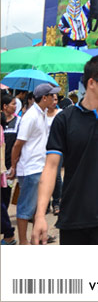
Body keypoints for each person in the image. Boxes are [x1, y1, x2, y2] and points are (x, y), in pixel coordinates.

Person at [31, 55, 98, 245]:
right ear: (91, 82)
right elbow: (50, 167)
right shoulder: (64, 120)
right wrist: (40, 214)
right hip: (73, 215)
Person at [8, 82, 60, 245]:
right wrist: (14, 166)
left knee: (38, 207)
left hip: (39, 166)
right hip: (30, 169)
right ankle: (24, 241)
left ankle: (38, 236)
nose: (54, 98)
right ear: (44, 98)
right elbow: (18, 144)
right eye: (52, 95)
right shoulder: (31, 116)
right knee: (25, 208)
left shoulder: (42, 113)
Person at [1, 93, 20, 244]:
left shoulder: (19, 122)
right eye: (13, 104)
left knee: (5, 198)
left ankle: (8, 232)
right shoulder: (2, 123)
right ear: (4, 107)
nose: (15, 106)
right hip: (2, 168)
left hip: (9, 168)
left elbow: (18, 146)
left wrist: (14, 166)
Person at [45, 94, 62, 215]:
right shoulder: (41, 113)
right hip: (43, 149)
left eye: (56, 99)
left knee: (56, 176)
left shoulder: (61, 113)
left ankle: (56, 202)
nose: (54, 102)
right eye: (52, 99)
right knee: (44, 175)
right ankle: (45, 203)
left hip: (57, 149)